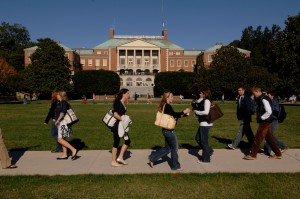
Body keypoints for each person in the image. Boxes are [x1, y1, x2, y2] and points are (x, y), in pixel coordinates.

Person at [148, 91, 190, 171]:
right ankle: (176, 166)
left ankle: (152, 159)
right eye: (171, 96)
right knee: (175, 148)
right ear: (167, 97)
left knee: (167, 148)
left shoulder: (165, 105)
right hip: (169, 131)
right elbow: (174, 115)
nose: (173, 98)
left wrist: (182, 115)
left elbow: (173, 116)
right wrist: (184, 111)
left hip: (165, 130)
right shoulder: (167, 106)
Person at [244, 87, 282, 160]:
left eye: (254, 93)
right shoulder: (261, 98)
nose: (253, 94)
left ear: (258, 91)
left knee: (258, 138)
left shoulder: (264, 99)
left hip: (265, 121)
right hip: (266, 120)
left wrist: (262, 118)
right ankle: (278, 154)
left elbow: (269, 111)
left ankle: (253, 155)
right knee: (269, 138)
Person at [55, 91, 79, 160]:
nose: (56, 96)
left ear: (60, 96)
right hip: (62, 122)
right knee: (62, 138)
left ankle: (73, 150)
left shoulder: (63, 102)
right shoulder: (61, 102)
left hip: (63, 123)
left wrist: (57, 121)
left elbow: (63, 112)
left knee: (60, 139)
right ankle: (64, 154)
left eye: (57, 95)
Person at [111, 88, 131, 167]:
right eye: (128, 93)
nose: (128, 95)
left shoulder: (122, 102)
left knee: (127, 141)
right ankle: (113, 161)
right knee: (116, 143)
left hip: (122, 126)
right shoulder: (117, 102)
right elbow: (115, 114)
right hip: (117, 126)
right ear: (124, 94)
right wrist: (123, 120)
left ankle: (120, 157)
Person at [264, 91, 287, 155]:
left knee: (270, 135)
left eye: (268, 95)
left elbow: (275, 113)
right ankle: (267, 150)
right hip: (270, 120)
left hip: (273, 121)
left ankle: (283, 146)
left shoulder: (274, 102)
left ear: (272, 96)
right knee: (268, 134)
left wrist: (269, 116)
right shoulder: (271, 101)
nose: (267, 96)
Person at [193, 89, 214, 163]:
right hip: (203, 123)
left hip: (205, 124)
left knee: (204, 142)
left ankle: (206, 159)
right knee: (197, 138)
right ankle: (209, 151)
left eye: (201, 93)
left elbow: (206, 112)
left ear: (204, 94)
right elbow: (198, 101)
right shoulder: (204, 100)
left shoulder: (207, 101)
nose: (199, 94)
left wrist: (197, 112)